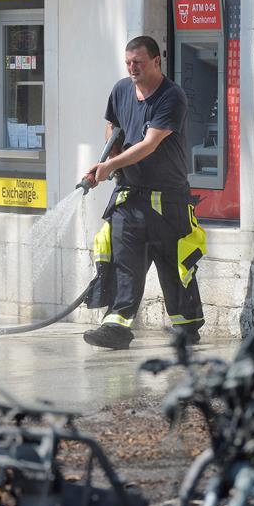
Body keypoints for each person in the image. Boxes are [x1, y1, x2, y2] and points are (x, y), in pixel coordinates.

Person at [81, 35, 206, 350]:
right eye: (128, 62)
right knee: (125, 263)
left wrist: (109, 167)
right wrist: (113, 157)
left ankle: (187, 327)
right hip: (130, 195)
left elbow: (150, 144)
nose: (132, 68)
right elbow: (112, 123)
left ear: (156, 61)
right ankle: (116, 327)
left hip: (169, 200)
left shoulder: (171, 97)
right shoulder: (122, 89)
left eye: (138, 62)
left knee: (175, 266)